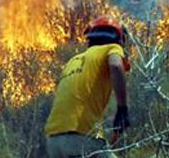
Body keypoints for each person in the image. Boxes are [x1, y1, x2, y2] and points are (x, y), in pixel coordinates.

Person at [44, 16, 132, 157]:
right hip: (81, 136)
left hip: (53, 141)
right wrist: (122, 109)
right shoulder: (112, 48)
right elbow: (116, 65)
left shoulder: (73, 61)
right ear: (119, 38)